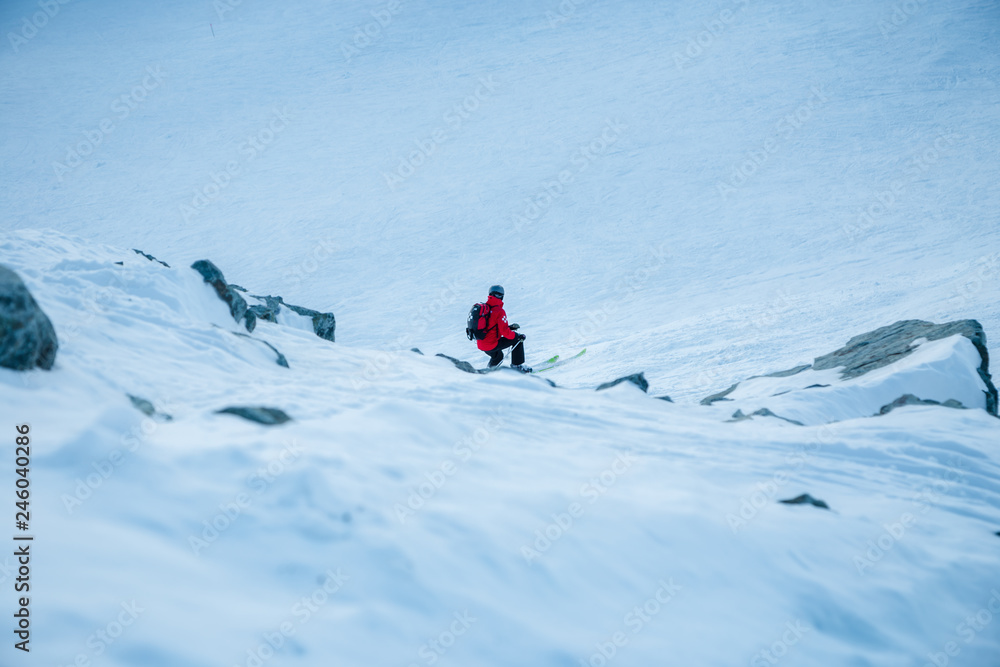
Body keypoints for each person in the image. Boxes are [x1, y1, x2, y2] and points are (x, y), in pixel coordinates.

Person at [477, 285, 531, 372]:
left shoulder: (484, 308)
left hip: (481, 344)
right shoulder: (499, 311)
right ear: (501, 296)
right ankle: (517, 367)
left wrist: (509, 328)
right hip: (491, 344)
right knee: (517, 339)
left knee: (498, 356)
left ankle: (490, 370)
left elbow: (491, 327)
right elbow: (505, 333)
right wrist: (517, 335)